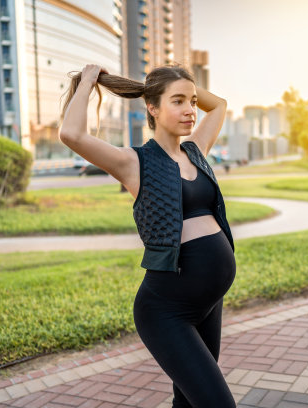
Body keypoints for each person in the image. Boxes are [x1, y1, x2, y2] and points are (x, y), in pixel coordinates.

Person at [58, 64, 237, 407]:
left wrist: (177, 84)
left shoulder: (195, 150)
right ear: (153, 108)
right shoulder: (133, 162)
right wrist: (89, 81)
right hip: (166, 311)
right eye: (178, 101)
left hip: (209, 304)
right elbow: (72, 135)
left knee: (188, 402)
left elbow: (220, 106)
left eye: (192, 101)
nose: (190, 110)